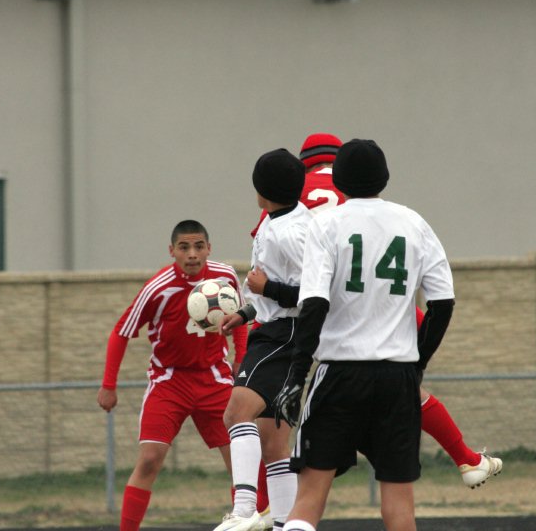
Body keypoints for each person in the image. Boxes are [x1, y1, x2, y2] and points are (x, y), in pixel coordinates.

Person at [292, 132, 503, 489]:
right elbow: (441, 298)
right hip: (389, 303)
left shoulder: (297, 189)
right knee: (408, 390)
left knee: (266, 420)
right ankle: (465, 458)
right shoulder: (403, 215)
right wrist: (418, 362)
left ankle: (256, 502)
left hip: (334, 307)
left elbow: (273, 242)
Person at [272, 139, 456, 531]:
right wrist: (417, 363)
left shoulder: (326, 223)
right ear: (384, 178)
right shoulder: (414, 222)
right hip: (397, 376)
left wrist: (296, 374)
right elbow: (443, 303)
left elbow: (314, 305)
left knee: (308, 499)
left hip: (339, 373)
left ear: (339, 179)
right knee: (400, 506)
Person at [97, 220, 256, 531]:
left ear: (209, 248)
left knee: (241, 462)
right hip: (169, 381)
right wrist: (108, 385)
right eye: (184, 247)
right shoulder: (158, 288)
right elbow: (121, 332)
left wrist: (242, 358)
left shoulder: (224, 277)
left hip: (214, 379)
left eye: (199, 246)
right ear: (172, 251)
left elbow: (240, 317)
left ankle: (248, 523)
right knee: (149, 460)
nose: (192, 254)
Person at [212, 149, 312, 531]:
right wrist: (247, 311)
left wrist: (266, 287)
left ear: (261, 190)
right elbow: (273, 289)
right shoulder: (279, 219)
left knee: (236, 413)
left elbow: (313, 296)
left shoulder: (291, 233)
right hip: (273, 328)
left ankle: (243, 510)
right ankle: (286, 523)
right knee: (272, 442)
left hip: (283, 335)